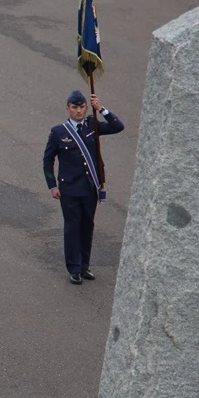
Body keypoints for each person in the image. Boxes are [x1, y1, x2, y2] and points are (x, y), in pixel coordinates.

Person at [42, 91, 125, 285]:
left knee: (87, 226)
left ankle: (85, 265)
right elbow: (48, 160)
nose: (78, 111)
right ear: (68, 109)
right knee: (72, 227)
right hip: (69, 189)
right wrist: (52, 185)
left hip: (89, 187)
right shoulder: (58, 132)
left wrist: (101, 109)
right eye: (74, 107)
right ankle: (74, 268)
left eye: (81, 107)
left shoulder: (92, 126)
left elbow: (118, 127)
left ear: (86, 107)